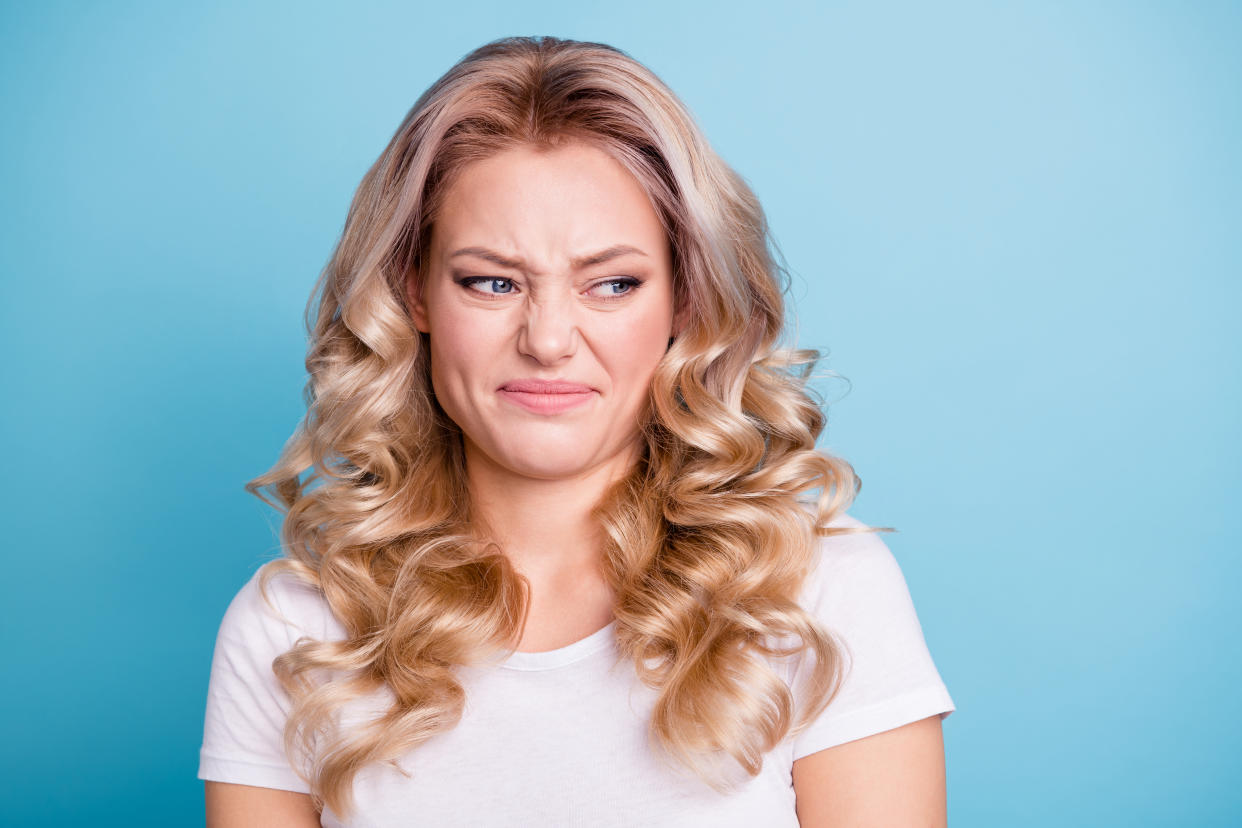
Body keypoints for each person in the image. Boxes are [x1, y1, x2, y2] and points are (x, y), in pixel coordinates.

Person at [198, 35, 956, 827]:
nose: (549, 339)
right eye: (492, 281)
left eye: (612, 284)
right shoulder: (296, 629)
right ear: (414, 294)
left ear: (685, 302)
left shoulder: (818, 594)